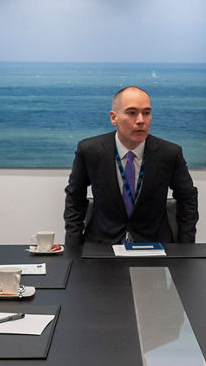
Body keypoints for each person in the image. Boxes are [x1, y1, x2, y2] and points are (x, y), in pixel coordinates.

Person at [64, 86, 198, 247]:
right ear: (114, 118)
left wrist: (186, 248)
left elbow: (187, 198)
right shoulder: (89, 150)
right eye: (132, 113)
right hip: (101, 246)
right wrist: (73, 246)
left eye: (146, 113)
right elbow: (74, 198)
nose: (141, 120)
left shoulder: (169, 153)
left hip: (155, 246)